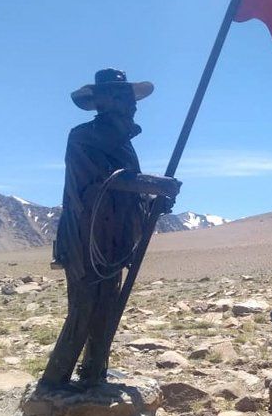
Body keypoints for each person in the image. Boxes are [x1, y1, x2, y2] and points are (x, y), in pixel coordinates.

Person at [40, 68, 181, 392]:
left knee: (106, 306)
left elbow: (126, 194)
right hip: (86, 239)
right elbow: (103, 183)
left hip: (113, 239)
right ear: (104, 101)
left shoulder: (124, 144)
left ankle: (94, 371)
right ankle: (54, 380)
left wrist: (152, 202)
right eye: (124, 97)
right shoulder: (83, 137)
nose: (133, 104)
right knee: (84, 307)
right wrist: (153, 184)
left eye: (132, 97)